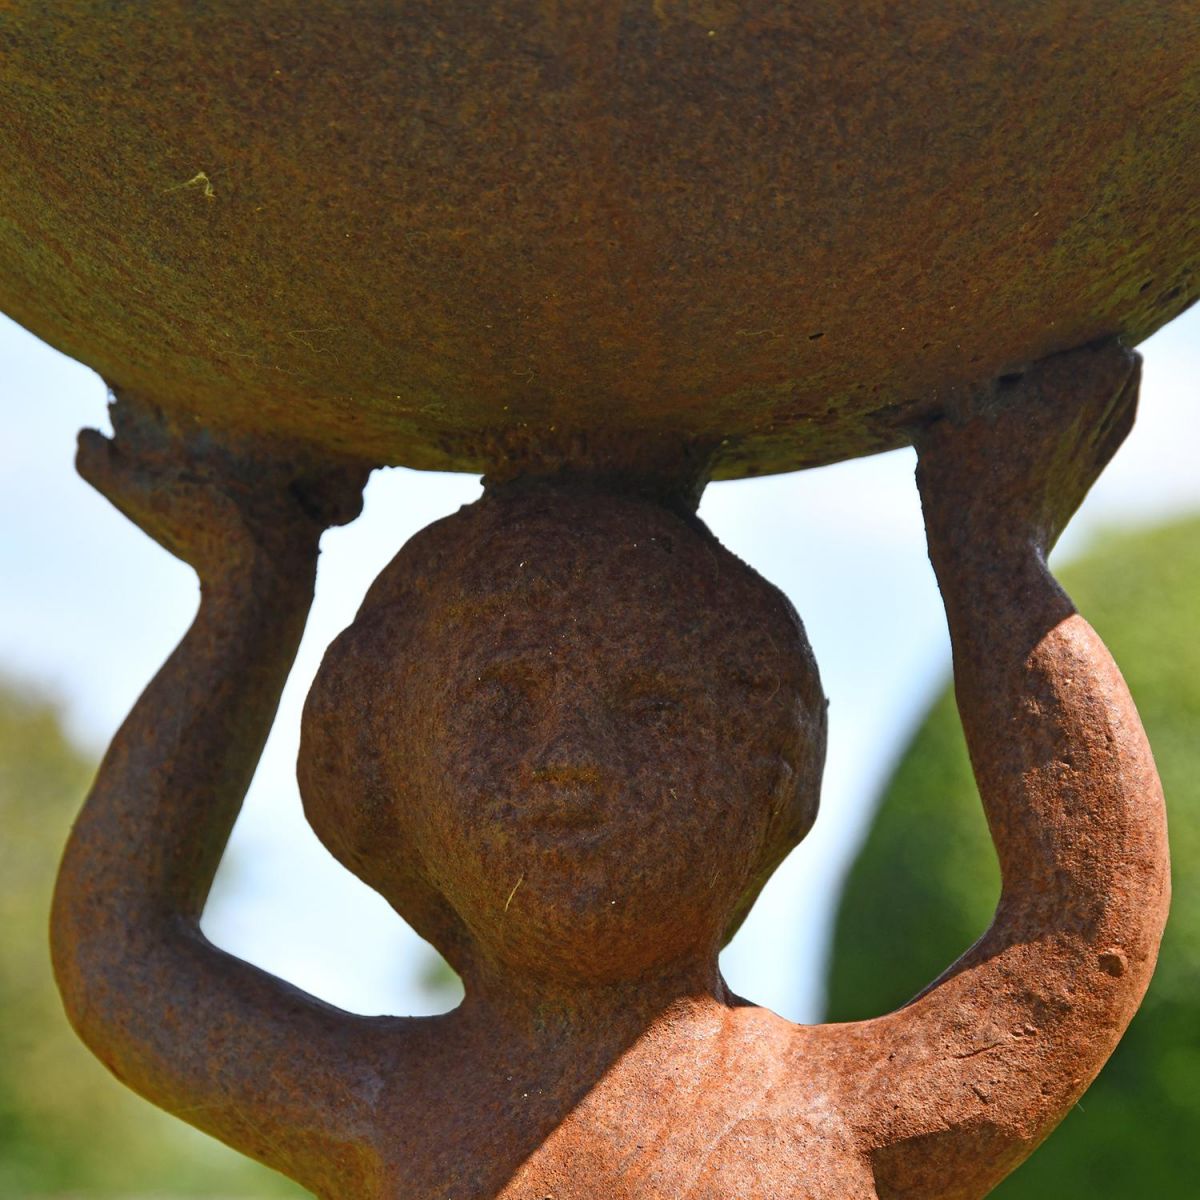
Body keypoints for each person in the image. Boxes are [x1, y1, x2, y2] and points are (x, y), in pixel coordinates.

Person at [51, 341, 1168, 1199]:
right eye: (500, 703)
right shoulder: (385, 1103)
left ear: (767, 767)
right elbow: (121, 954)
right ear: (382, 768)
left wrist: (993, 553)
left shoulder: (835, 1108)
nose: (571, 763)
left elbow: (1081, 929)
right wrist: (251, 593)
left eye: (654, 707)